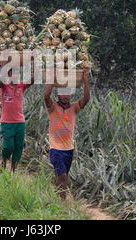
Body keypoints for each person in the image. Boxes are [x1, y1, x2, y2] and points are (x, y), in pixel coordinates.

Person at [44, 68, 90, 200]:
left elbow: (86, 99)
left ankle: (57, 195)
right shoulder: (53, 108)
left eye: (67, 94)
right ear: (58, 95)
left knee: (63, 176)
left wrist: (86, 80)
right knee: (62, 176)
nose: (65, 97)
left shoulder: (74, 108)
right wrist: (52, 80)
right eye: (62, 94)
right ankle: (62, 204)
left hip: (69, 149)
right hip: (55, 149)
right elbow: (46, 97)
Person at [0, 67, 33, 172]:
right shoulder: (4, 86)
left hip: (20, 122)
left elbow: (33, 80)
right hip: (7, 122)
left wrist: (36, 63)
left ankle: (13, 171)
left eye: (17, 73)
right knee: (8, 146)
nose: (15, 76)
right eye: (12, 73)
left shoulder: (21, 86)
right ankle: (3, 163)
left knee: (18, 147)